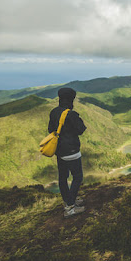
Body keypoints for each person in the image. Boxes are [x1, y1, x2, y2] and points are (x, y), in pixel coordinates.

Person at [48, 87, 87, 218]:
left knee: (63, 178)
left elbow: (50, 130)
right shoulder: (71, 114)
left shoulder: (53, 112)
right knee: (77, 177)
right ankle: (70, 207)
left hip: (59, 151)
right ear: (71, 99)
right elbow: (81, 129)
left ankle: (68, 200)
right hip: (72, 151)